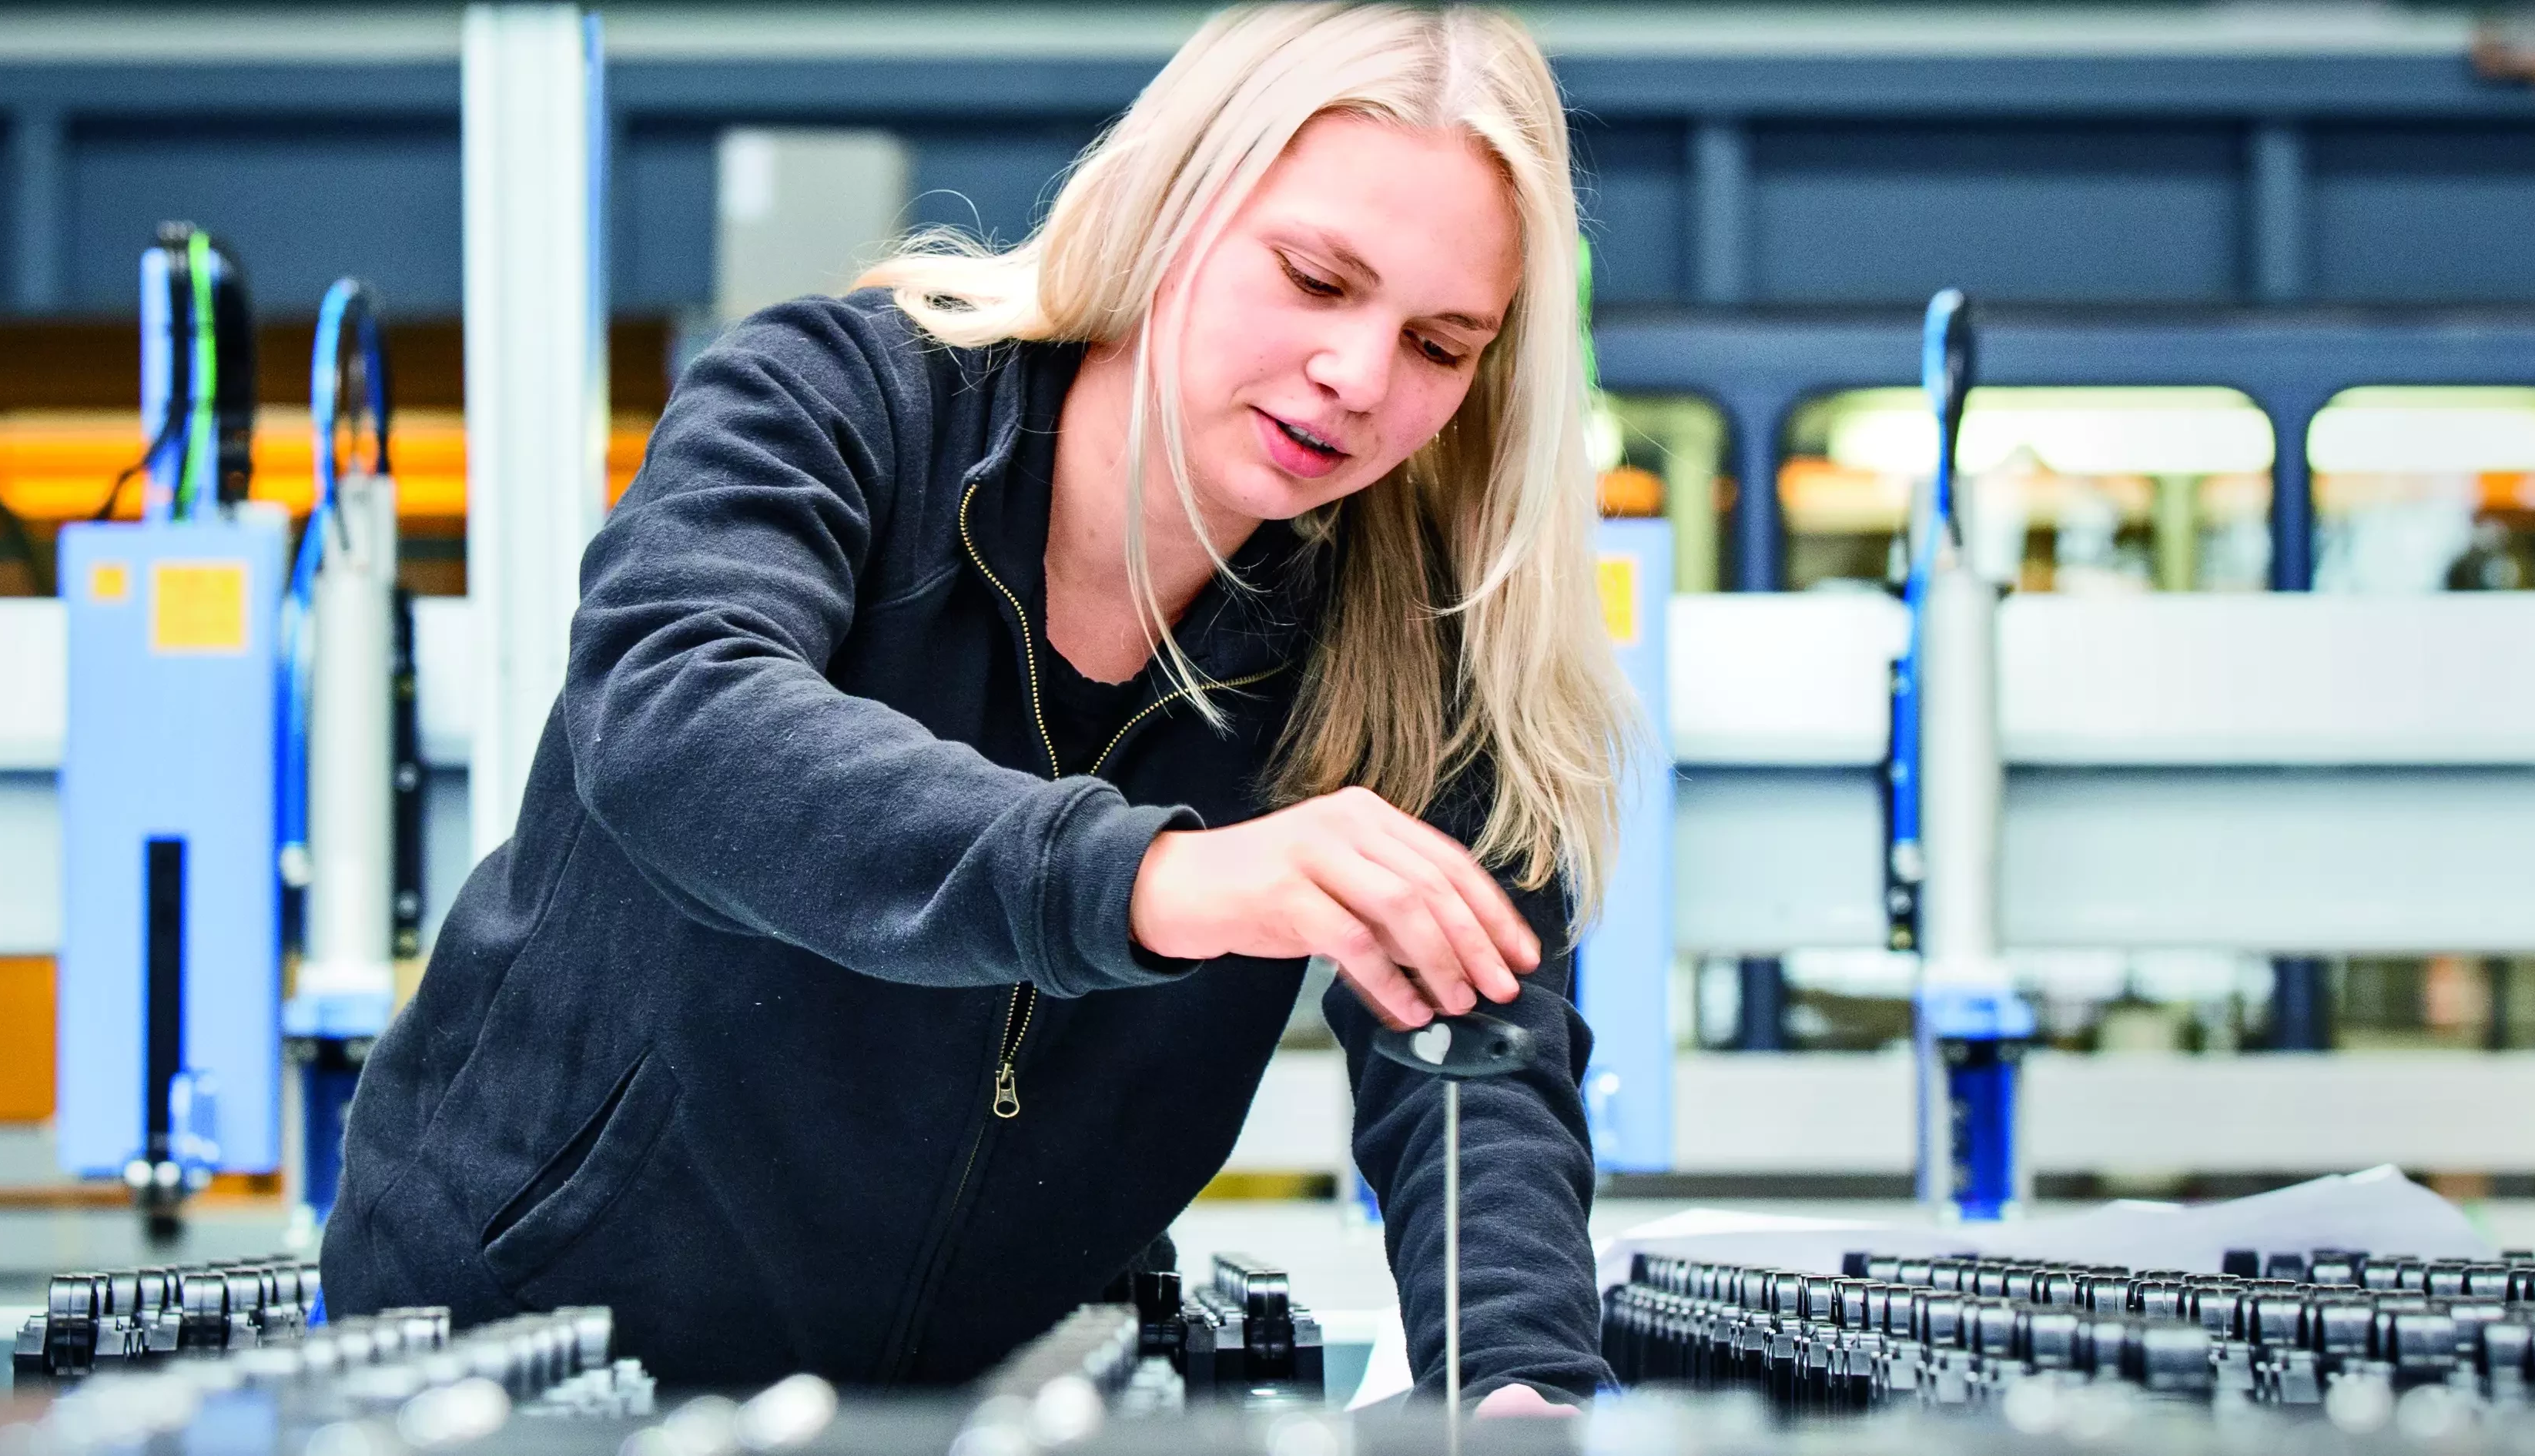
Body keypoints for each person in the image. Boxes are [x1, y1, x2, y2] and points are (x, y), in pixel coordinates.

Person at [319, 2, 1629, 1410]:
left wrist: (1518, 1382)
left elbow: (1471, 1051)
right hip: (535, 1368)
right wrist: (1152, 880)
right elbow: (674, 716)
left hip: (990, 1406)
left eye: (1439, 345)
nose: (1359, 378)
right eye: (1316, 279)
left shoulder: (1397, 632)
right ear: (1171, 207)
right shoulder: (838, 403)